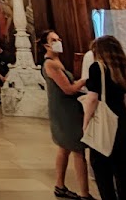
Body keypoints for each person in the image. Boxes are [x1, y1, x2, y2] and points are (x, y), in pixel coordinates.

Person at [84, 35, 126, 200]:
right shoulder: (122, 69)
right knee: (124, 171)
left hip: (105, 123)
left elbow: (92, 99)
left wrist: (85, 123)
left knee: (102, 170)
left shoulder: (97, 68)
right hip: (123, 122)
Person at [40, 29, 90, 199]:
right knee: (78, 149)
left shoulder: (56, 61)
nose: (59, 41)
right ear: (46, 45)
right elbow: (68, 89)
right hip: (65, 109)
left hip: (64, 107)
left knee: (64, 147)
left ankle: (60, 185)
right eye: (54, 40)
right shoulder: (50, 63)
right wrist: (85, 79)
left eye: (59, 38)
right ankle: (84, 193)